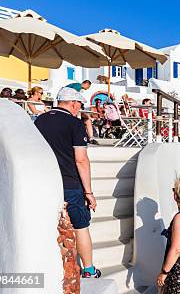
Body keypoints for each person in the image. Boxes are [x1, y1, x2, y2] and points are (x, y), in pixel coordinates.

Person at [34, 87, 101, 278]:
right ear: (73, 103)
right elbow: (81, 160)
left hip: (46, 180)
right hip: (70, 183)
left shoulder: (40, 120)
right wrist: (89, 192)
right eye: (79, 104)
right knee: (80, 225)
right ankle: (88, 269)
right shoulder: (74, 124)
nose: (79, 108)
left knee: (51, 225)